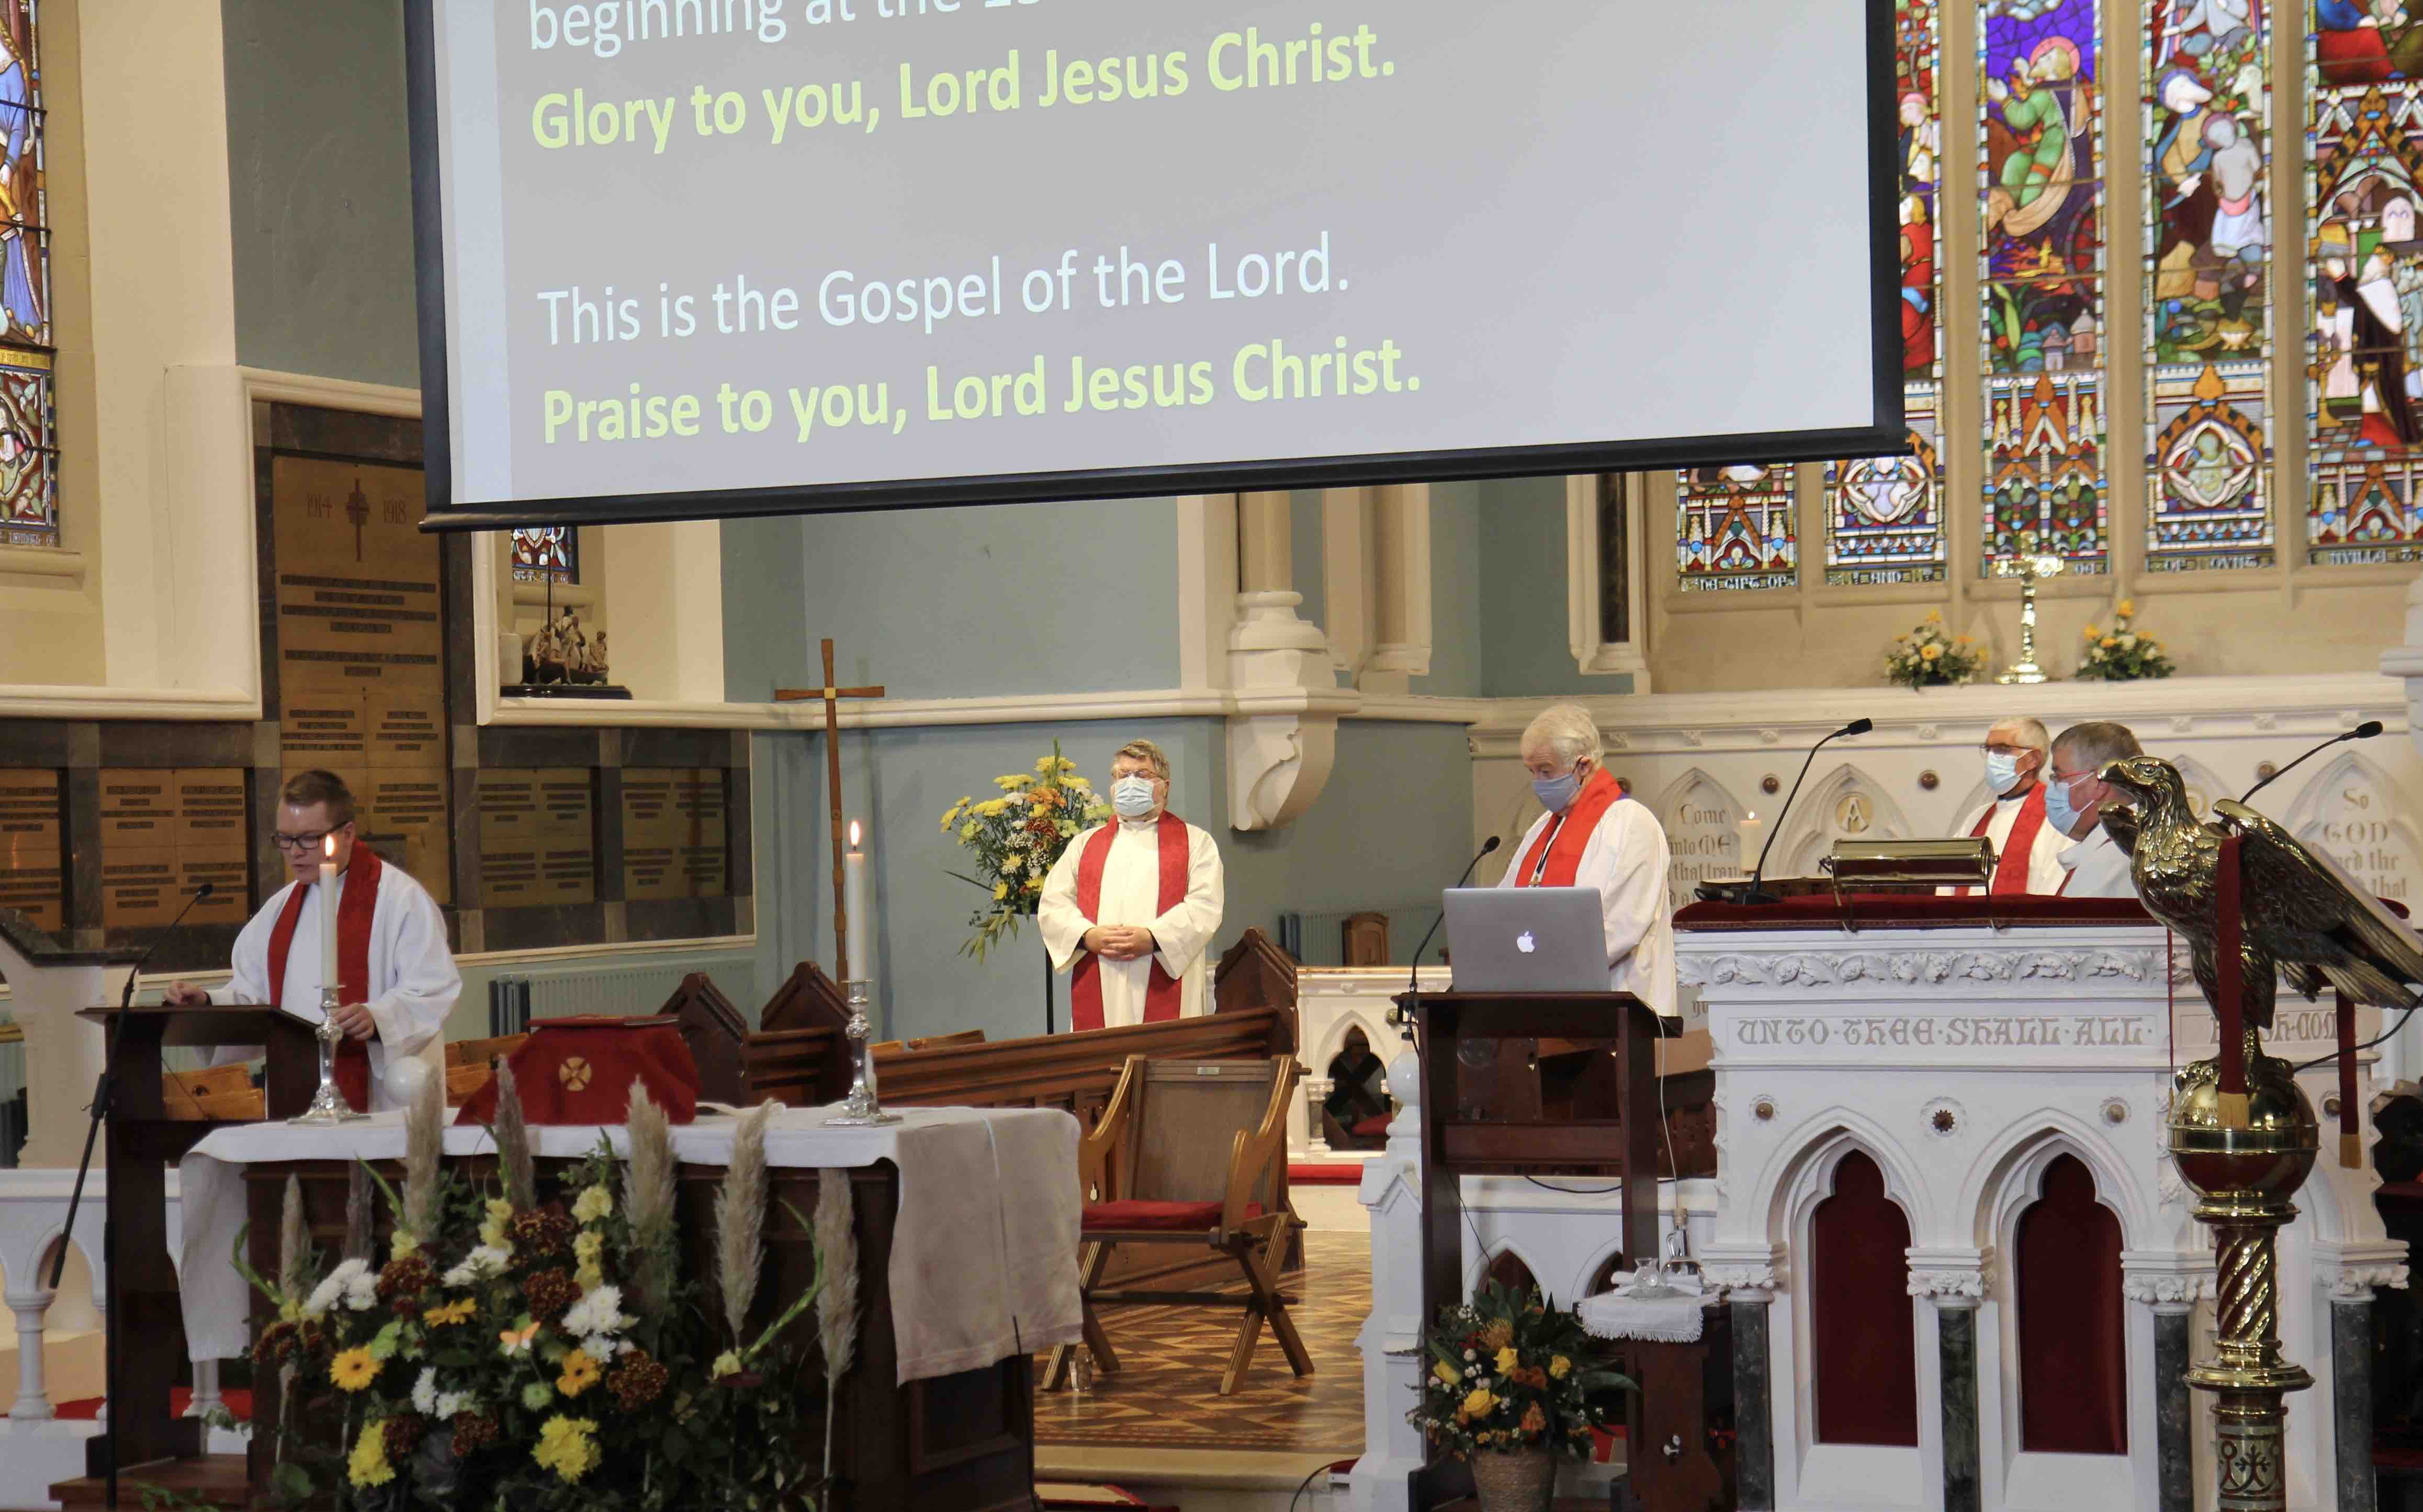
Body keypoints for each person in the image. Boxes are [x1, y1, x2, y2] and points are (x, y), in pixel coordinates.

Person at [162, 770, 458, 1112]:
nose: (294, 853)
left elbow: (433, 989)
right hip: (300, 1091)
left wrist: (378, 1018)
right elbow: (259, 997)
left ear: (347, 834)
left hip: (387, 1096)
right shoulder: (279, 910)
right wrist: (207, 1003)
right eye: (285, 839)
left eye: (308, 839)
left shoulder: (402, 901)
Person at [1496, 703, 1675, 1017]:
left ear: (1583, 766)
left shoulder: (1632, 824)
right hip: (1544, 1002)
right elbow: (1504, 905)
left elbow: (1620, 927)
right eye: (1532, 772)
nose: (1537, 782)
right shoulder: (1544, 828)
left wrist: (1536, 965)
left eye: (1546, 771)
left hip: (1616, 1009)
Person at [1039, 739, 1225, 1031]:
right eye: (1122, 775)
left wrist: (1153, 938)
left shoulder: (1196, 843)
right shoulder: (1085, 845)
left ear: (1165, 786)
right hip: (1100, 973)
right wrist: (1087, 936)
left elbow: (1204, 907)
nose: (1130, 782)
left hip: (1163, 969)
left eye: (1142, 774)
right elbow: (1053, 905)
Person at [1951, 717, 2068, 895]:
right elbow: (1950, 880)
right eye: (1989, 749)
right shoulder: (1976, 819)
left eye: (2001, 750)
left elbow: (2055, 884)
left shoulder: (2056, 816)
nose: (1991, 757)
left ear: (2033, 759)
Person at [2045, 721, 2144, 898]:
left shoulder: (2114, 857)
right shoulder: (2138, 837)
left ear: (2100, 783)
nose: (2052, 787)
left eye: (2059, 777)